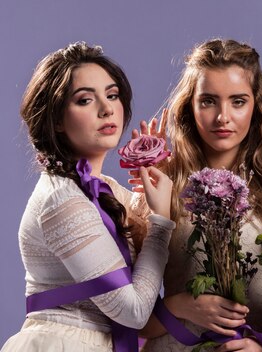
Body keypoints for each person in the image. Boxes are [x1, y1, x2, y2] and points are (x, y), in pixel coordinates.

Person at [131, 39, 262, 352]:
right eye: (208, 101)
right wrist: (179, 305)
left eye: (238, 101)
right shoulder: (161, 185)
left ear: (257, 105)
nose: (222, 117)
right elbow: (125, 315)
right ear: (190, 105)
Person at [1, 42, 175, 352]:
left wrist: (154, 174)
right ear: (55, 118)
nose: (107, 109)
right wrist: (161, 223)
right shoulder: (62, 201)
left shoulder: (101, 188)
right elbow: (133, 311)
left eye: (112, 95)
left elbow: (151, 245)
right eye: (85, 100)